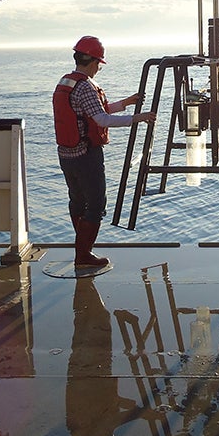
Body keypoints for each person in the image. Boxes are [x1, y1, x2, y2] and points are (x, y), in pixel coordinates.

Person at [53, 35, 156, 272]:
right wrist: (137, 119)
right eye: (99, 63)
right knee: (97, 203)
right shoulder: (87, 86)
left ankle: (81, 250)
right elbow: (100, 119)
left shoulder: (66, 82)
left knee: (77, 200)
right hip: (86, 155)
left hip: (66, 154)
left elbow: (91, 112)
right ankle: (84, 255)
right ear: (93, 62)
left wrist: (125, 103)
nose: (99, 67)